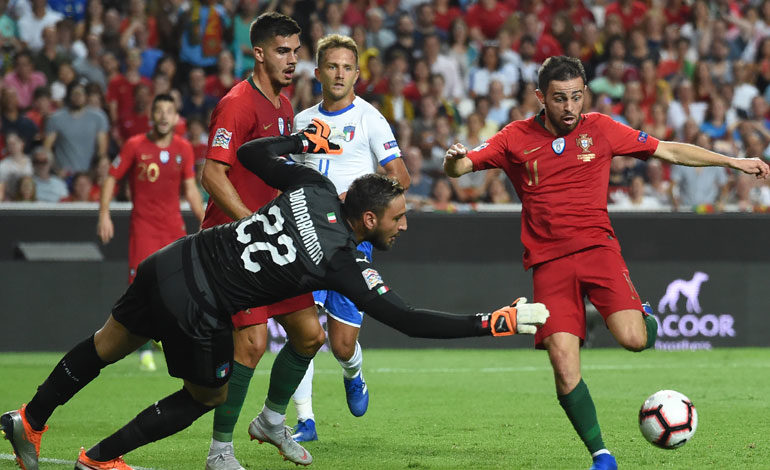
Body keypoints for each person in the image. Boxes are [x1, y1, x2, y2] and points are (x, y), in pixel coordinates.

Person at [0, 124, 549, 470]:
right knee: (207, 396)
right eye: (398, 218)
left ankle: (31, 416)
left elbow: (251, 152)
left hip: (174, 258)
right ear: (367, 218)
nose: (404, 226)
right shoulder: (344, 263)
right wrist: (491, 322)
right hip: (201, 303)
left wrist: (303, 142)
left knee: (105, 345)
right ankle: (100, 459)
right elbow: (407, 320)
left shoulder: (316, 187)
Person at [443, 56, 769, 470]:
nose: (569, 107)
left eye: (576, 97)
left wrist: (731, 161)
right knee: (563, 366)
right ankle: (601, 455)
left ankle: (641, 316)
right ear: (541, 97)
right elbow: (461, 167)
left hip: (599, 251)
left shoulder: (601, 128)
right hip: (549, 264)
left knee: (634, 339)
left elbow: (667, 149)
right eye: (559, 99)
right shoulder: (514, 137)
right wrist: (453, 159)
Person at [197, 12, 316, 470]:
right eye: (284, 51)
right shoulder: (237, 104)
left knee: (309, 335)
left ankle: (270, 421)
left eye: (296, 51)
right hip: (235, 244)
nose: (293, 60)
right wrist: (251, 223)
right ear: (260, 53)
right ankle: (219, 451)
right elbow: (212, 175)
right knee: (251, 343)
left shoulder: (284, 107)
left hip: (272, 243)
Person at [288, 34, 410, 442]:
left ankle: (353, 372)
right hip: (307, 239)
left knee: (341, 346)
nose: (339, 74)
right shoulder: (302, 122)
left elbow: (401, 177)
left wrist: (356, 201)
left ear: (357, 74)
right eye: (332, 66)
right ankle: (305, 420)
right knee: (303, 332)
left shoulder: (369, 119)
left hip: (350, 244)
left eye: (346, 67)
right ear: (318, 72)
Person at [97, 93, 204, 372]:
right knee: (140, 289)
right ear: (151, 116)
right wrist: (104, 213)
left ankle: (170, 341)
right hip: (143, 229)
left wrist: (205, 220)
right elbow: (112, 177)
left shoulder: (184, 148)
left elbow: (190, 189)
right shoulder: (135, 145)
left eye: (169, 111)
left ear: (176, 117)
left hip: (173, 229)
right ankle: (144, 349)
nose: (164, 116)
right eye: (159, 110)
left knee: (178, 287)